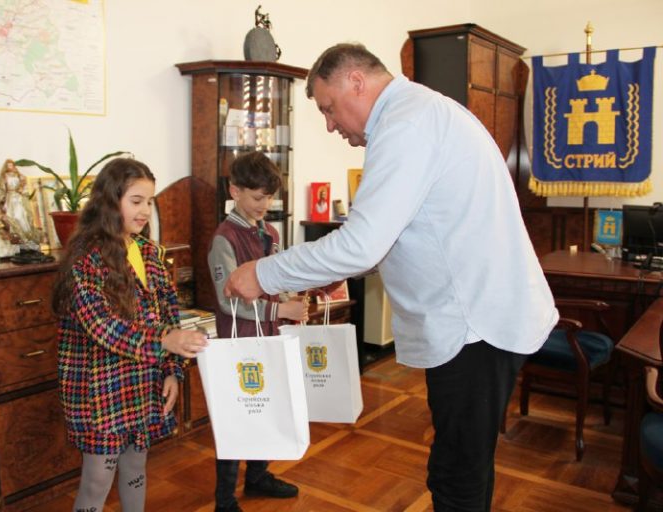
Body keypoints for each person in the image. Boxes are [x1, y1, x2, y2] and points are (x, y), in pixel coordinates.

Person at [223, 43, 558, 512]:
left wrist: (263, 273)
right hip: (481, 317)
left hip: (474, 325)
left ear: (356, 82)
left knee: (457, 474)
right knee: (467, 464)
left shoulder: (406, 126)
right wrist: (338, 269)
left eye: (329, 108)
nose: (330, 125)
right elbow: (409, 233)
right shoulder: (418, 113)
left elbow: (361, 243)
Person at [52, 157, 209, 512]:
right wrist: (164, 340)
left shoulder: (149, 253)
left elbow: (169, 314)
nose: (145, 211)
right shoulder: (85, 259)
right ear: (110, 201)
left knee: (136, 467)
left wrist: (172, 370)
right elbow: (102, 326)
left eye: (149, 201)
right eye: (136, 201)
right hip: (100, 389)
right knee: (97, 479)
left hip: (142, 382)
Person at [208, 151, 309, 512]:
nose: (264, 205)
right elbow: (228, 302)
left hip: (268, 338)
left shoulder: (271, 233)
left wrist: (290, 299)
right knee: (236, 416)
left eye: (269, 197)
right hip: (239, 343)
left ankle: (257, 476)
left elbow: (273, 283)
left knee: (266, 407)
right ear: (234, 191)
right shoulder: (224, 238)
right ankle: (224, 499)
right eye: (257, 197)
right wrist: (280, 309)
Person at [0, 158, 40, 245]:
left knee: (22, 215)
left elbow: (25, 183)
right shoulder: (4, 176)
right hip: (10, 197)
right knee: (12, 215)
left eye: (11, 165)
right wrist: (2, 197)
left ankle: (27, 234)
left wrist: (22, 187)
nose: (10, 167)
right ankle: (16, 235)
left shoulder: (19, 175)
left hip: (18, 197)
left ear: (14, 166)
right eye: (8, 165)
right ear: (6, 166)